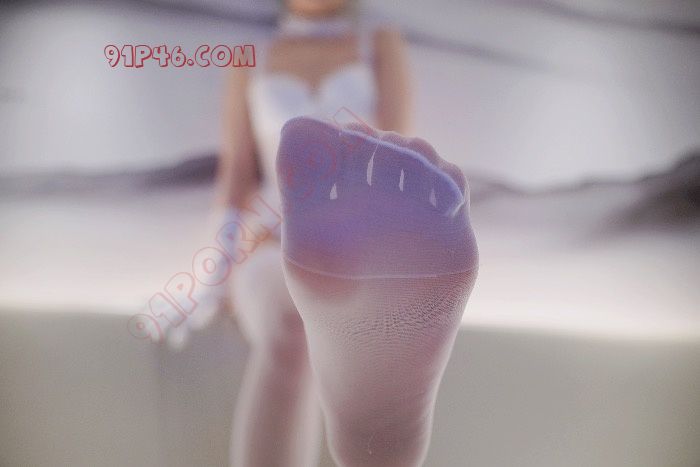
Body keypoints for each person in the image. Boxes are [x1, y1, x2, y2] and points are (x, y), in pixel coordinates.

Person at [215, 1, 477, 465]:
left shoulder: (379, 42)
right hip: (270, 242)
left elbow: (399, 154)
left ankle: (368, 399)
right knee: (289, 322)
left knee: (306, 307)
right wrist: (220, 269)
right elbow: (236, 172)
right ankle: (370, 434)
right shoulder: (246, 53)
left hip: (358, 237)